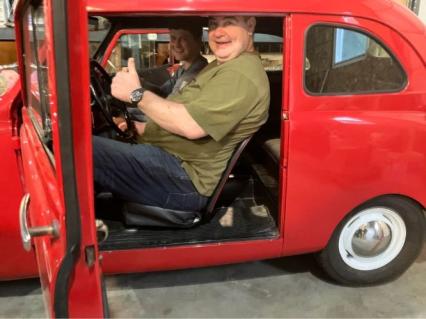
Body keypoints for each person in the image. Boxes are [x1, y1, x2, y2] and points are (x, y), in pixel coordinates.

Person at [94, 16, 270, 213]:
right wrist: (138, 127)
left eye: (229, 22)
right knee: (95, 140)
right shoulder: (223, 65)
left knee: (78, 150)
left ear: (250, 25)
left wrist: (136, 94)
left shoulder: (240, 74)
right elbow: (182, 111)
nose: (218, 33)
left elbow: (191, 125)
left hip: (183, 179)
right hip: (170, 160)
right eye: (213, 25)